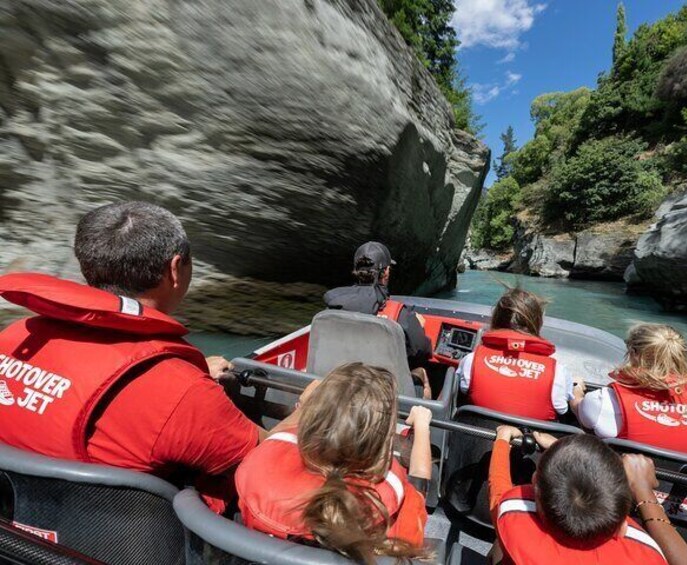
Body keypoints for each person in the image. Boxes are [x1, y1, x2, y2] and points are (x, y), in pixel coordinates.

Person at [0, 201, 284, 490]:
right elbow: (271, 462)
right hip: (124, 532)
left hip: (21, 525)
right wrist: (311, 406)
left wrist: (187, 378)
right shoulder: (178, 392)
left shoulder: (17, 336)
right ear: (175, 269)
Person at [236, 363, 432, 563]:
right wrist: (422, 425)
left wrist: (306, 405)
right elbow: (419, 484)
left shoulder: (262, 462)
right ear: (382, 441)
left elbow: (277, 439)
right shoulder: (389, 503)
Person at [490, 427, 687, 565]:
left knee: (499, 547)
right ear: (621, 528)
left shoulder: (512, 517)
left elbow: (498, 487)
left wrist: (502, 439)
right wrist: (643, 489)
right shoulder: (644, 555)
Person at [570, 323, 687, 458]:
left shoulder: (607, 401)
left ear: (632, 354)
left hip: (624, 489)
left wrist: (576, 392)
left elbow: (582, 412)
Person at [324, 241, 433, 396]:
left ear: (357, 271)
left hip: (342, 386)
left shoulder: (333, 308)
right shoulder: (399, 314)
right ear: (386, 272)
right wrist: (419, 326)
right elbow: (424, 351)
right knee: (421, 372)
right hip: (381, 394)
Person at [456, 287, 573, 421]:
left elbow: (463, 389)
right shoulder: (557, 371)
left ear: (496, 319)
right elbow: (562, 408)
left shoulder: (471, 361)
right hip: (530, 439)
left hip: (477, 437)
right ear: (538, 323)